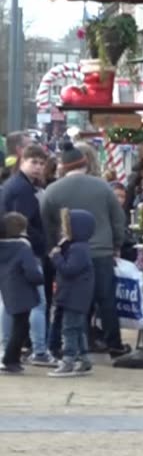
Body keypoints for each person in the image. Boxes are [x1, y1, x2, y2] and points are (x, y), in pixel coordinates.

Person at [41, 142, 129, 358]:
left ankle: (72, 344)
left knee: (70, 300)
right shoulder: (103, 187)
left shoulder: (52, 191)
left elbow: (47, 225)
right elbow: (118, 219)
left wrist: (54, 249)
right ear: (85, 164)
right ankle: (114, 345)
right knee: (106, 299)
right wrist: (117, 245)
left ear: (64, 167)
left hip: (69, 253)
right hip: (101, 252)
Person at [0, 145, 54, 366]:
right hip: (28, 251)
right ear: (22, 161)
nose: (38, 168)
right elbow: (24, 222)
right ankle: (39, 349)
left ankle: (6, 346)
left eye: (42, 164)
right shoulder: (22, 190)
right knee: (37, 302)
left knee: (8, 302)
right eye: (34, 162)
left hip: (9, 251)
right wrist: (44, 244)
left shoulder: (13, 186)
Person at [48, 208, 96, 378]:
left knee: (69, 328)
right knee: (77, 328)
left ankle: (68, 360)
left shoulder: (77, 249)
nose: (62, 230)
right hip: (74, 296)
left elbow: (69, 270)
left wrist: (56, 257)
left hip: (73, 296)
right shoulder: (78, 247)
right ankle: (83, 359)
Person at [0, 213, 46, 374]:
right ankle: (10, 359)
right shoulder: (22, 247)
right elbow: (31, 271)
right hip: (23, 290)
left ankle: (10, 356)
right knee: (22, 326)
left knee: (17, 324)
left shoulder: (3, 246)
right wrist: (40, 279)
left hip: (7, 288)